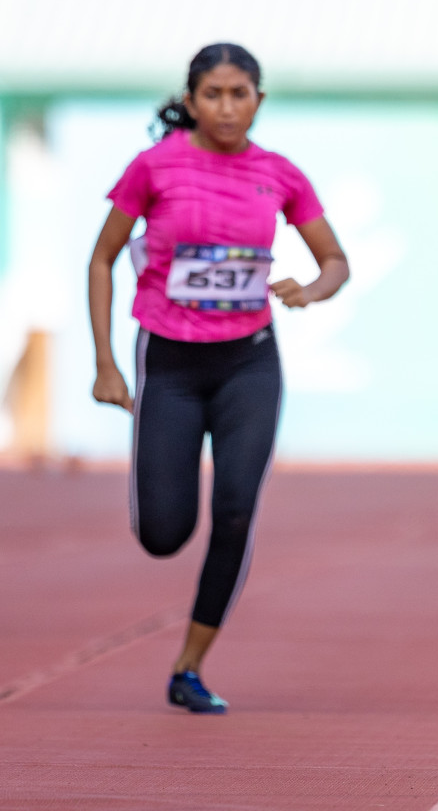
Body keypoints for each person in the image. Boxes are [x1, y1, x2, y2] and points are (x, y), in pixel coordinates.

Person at [88, 43, 350, 713]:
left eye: (240, 94)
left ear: (259, 99)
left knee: (235, 509)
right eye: (213, 95)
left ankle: (190, 667)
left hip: (248, 361)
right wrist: (107, 363)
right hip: (170, 363)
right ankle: (160, 501)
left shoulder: (279, 174)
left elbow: (335, 261)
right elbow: (103, 259)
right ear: (191, 98)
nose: (227, 108)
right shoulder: (155, 167)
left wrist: (312, 290)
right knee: (164, 534)